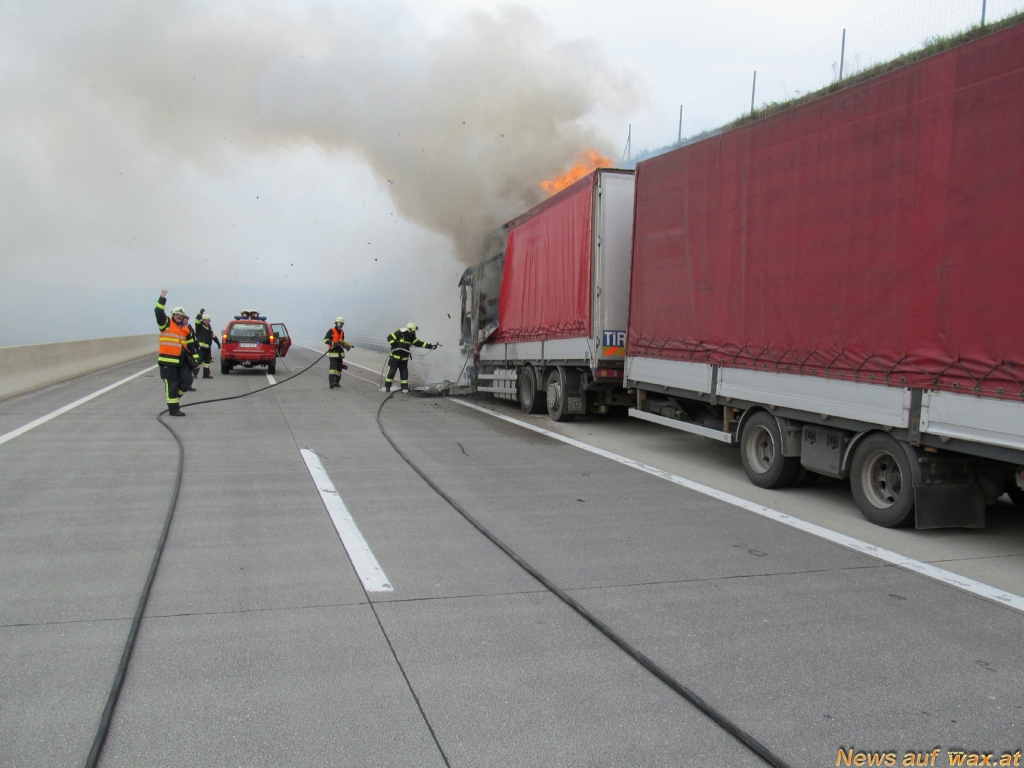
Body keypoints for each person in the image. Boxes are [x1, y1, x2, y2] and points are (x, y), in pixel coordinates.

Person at [155, 290, 200, 416]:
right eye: (177, 314)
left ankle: (173, 398)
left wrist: (195, 360)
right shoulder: (166, 323)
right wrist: (162, 298)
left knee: (187, 381)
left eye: (181, 315)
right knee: (172, 384)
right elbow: (158, 312)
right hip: (168, 361)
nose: (179, 316)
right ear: (173, 315)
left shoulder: (186, 329)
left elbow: (190, 346)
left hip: (181, 361)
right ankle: (173, 409)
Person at [385, 322, 437, 393]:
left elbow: (419, 343)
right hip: (394, 358)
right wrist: (395, 346)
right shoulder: (400, 333)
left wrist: (430, 346)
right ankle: (387, 387)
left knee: (404, 374)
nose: (414, 332)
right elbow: (389, 338)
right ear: (409, 329)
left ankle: (404, 388)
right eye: (413, 331)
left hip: (404, 359)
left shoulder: (411, 336)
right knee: (391, 372)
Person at [323, 317, 353, 389]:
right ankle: (331, 382)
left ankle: (337, 382)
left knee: (339, 368)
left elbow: (342, 341)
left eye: (341, 324)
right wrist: (333, 343)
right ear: (336, 323)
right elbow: (325, 340)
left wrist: (346, 346)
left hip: (340, 353)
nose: (340, 325)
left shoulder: (342, 332)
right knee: (333, 368)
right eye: (339, 323)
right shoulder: (331, 330)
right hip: (333, 352)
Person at [194, 313, 221, 378]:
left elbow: (213, 336)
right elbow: (196, 320)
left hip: (207, 348)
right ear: (203, 320)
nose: (206, 321)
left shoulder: (209, 328)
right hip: (201, 347)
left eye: (208, 320)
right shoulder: (200, 326)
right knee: (199, 360)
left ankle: (206, 374)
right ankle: (194, 373)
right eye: (205, 320)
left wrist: (218, 343)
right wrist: (200, 313)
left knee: (207, 361)